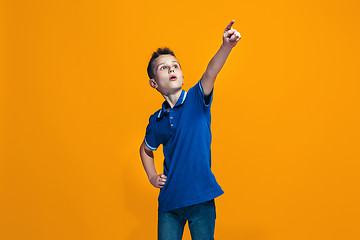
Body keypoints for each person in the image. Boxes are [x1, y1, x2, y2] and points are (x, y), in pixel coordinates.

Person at [139, 20, 241, 240]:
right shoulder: (157, 120)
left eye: (175, 66)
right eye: (163, 68)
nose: (171, 69)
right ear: (154, 83)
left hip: (202, 197)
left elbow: (211, 72)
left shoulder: (197, 98)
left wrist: (226, 46)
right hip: (170, 203)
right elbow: (146, 150)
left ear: (183, 76)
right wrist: (151, 177)